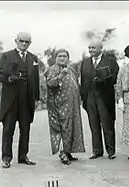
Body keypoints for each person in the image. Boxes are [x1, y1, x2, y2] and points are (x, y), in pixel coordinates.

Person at [0, 32, 40, 168]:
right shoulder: (6, 56)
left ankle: (23, 156)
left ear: (30, 43)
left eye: (27, 42)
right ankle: (6, 158)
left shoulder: (33, 58)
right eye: (21, 41)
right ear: (16, 41)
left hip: (26, 99)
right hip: (10, 100)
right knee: (8, 129)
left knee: (25, 129)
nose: (24, 44)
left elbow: (36, 79)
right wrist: (9, 78)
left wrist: (37, 98)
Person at [44, 49, 85, 165]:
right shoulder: (52, 69)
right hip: (59, 105)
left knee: (72, 127)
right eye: (59, 56)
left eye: (64, 56)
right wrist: (60, 76)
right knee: (63, 128)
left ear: (68, 58)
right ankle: (63, 153)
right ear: (55, 58)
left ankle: (68, 151)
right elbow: (50, 83)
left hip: (72, 105)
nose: (62, 58)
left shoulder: (71, 68)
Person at [80, 39, 119, 160]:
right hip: (90, 97)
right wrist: (83, 98)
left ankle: (111, 151)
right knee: (94, 124)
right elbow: (83, 81)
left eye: (93, 48)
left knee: (107, 124)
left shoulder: (111, 61)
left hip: (104, 97)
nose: (91, 50)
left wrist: (103, 80)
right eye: (89, 47)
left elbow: (115, 77)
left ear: (101, 48)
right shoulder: (85, 62)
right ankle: (97, 151)